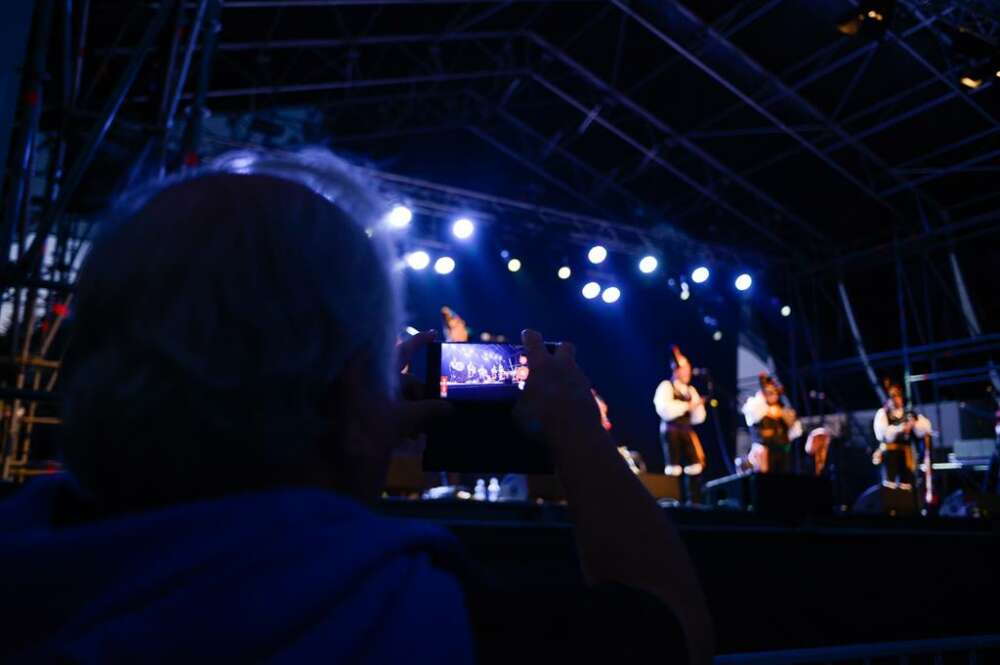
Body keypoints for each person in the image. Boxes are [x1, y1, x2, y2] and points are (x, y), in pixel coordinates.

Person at [0, 150, 712, 664]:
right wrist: (577, 432)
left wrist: (353, 423)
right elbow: (672, 626)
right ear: (347, 392)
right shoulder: (407, 617)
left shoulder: (28, 569)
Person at [653, 346, 707, 503]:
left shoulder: (690, 390)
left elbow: (698, 418)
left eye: (689, 368)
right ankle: (673, 500)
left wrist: (697, 407)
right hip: (671, 430)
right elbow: (664, 409)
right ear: (676, 370)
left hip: (686, 429)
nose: (688, 371)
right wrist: (687, 406)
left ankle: (694, 501)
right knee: (673, 466)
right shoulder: (666, 386)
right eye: (685, 368)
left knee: (694, 464)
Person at [873, 378, 932, 492]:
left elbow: (924, 430)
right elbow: (884, 434)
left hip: (906, 454)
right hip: (890, 454)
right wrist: (900, 428)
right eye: (893, 396)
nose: (896, 399)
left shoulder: (909, 413)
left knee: (906, 482)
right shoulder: (884, 413)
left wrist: (914, 423)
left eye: (898, 395)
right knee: (890, 484)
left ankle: (907, 503)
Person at [742, 373, 802, 474]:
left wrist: (782, 414)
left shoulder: (782, 410)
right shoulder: (756, 406)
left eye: (774, 392)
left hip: (782, 450)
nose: (772, 395)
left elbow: (794, 430)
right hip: (763, 451)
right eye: (768, 392)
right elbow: (753, 417)